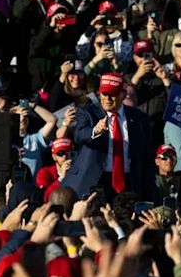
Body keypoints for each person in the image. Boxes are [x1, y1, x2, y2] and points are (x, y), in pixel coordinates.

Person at [62, 71, 154, 201]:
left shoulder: (140, 119)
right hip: (95, 181)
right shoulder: (88, 113)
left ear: (123, 94)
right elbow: (78, 135)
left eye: (112, 94)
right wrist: (95, 131)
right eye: (104, 94)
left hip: (128, 182)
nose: (107, 98)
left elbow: (147, 157)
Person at [35, 137, 74, 201]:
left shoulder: (78, 170)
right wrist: (61, 178)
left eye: (68, 153)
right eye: (60, 153)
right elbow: (45, 197)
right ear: (54, 157)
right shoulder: (44, 173)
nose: (65, 157)